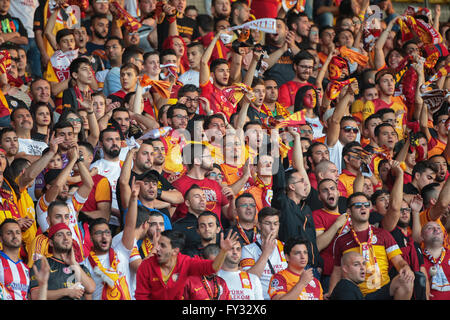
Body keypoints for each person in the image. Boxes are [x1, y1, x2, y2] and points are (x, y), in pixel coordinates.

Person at [327, 192, 415, 300]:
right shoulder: (341, 240)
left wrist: (405, 267)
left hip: (384, 290)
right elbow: (337, 271)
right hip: (357, 294)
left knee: (406, 280)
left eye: (366, 204)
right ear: (349, 211)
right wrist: (331, 292)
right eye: (358, 205)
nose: (363, 207)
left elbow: (399, 261)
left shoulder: (383, 234)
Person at [135, 229, 239, 300]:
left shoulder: (186, 263)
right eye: (157, 244)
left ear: (175, 251)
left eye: (162, 245)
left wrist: (224, 251)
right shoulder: (146, 266)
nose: (157, 248)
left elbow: (212, 268)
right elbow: (141, 297)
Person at [29, 223, 95, 300]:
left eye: (68, 234)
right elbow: (35, 295)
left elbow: (90, 288)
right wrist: (67, 292)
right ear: (51, 242)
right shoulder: (42, 263)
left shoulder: (81, 268)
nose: (66, 238)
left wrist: (73, 263)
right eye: (60, 235)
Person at [240, 207, 288, 300]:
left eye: (275, 224)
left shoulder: (286, 247)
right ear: (259, 225)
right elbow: (249, 280)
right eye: (267, 223)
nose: (272, 227)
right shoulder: (247, 249)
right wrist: (265, 253)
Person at [0, 219, 30, 300]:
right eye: (9, 233)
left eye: (18, 232)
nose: (15, 235)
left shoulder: (26, 269)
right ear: (1, 239)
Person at [422, 221, 450, 300]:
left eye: (438, 228)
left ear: (443, 235)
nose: (436, 229)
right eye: (430, 228)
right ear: (422, 236)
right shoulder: (417, 257)